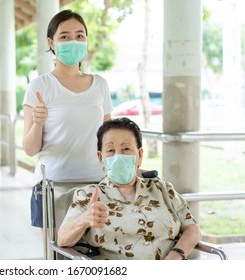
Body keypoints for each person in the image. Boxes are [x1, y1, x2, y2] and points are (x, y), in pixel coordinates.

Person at [57, 117, 202, 260]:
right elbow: (62, 239)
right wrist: (84, 219)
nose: (118, 156)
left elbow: (192, 229)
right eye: (110, 150)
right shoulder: (88, 195)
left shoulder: (163, 189)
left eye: (126, 148)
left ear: (139, 155)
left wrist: (176, 255)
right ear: (101, 159)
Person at [22, 10, 113, 228]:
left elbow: (109, 139)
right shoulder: (40, 86)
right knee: (57, 257)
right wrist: (38, 123)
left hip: (96, 187)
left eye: (80, 35)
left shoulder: (100, 85)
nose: (73, 41)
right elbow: (30, 149)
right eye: (64, 36)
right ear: (51, 43)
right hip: (54, 188)